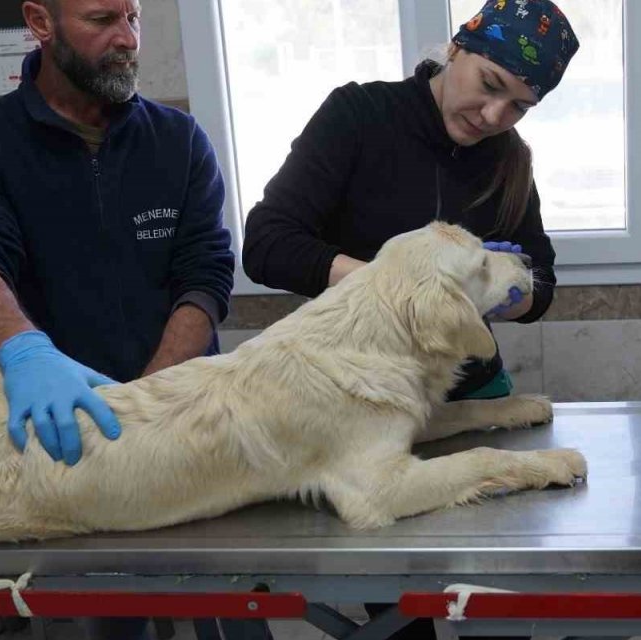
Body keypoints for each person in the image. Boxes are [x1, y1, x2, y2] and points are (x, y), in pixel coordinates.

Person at [0, 1, 265, 638]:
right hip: (66, 432)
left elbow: (206, 273)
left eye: (134, 17)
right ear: (41, 22)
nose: (127, 38)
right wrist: (26, 352)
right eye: (103, 19)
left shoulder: (178, 139)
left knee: (232, 607)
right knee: (102, 616)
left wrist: (153, 397)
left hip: (185, 417)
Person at [242, 1, 579, 637]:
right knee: (400, 612)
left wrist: (512, 293)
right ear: (456, 48)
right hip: (363, 403)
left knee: (494, 606)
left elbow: (544, 284)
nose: (493, 117)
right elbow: (265, 243)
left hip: (473, 395)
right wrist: (390, 287)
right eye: (489, 85)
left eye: (519, 107)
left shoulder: (508, 160)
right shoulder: (358, 117)